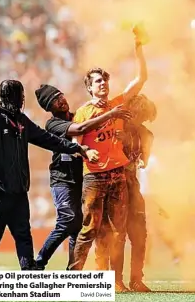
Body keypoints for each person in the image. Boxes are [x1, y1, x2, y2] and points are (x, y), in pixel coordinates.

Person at [0, 79, 97, 271]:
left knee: (24, 237)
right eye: (20, 95)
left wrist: (76, 148)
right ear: (12, 96)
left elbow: (49, 140)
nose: (22, 98)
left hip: (19, 192)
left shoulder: (22, 121)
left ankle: (29, 276)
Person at [69, 30, 148, 293]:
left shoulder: (117, 103)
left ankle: (116, 282)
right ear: (89, 87)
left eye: (104, 80)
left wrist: (138, 47)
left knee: (118, 233)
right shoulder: (84, 111)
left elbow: (141, 79)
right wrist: (84, 152)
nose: (102, 84)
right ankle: (75, 279)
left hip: (117, 176)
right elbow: (76, 137)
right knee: (90, 229)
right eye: (97, 81)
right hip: (93, 177)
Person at [34, 84, 131, 270]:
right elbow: (80, 129)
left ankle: (74, 270)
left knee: (79, 226)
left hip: (83, 177)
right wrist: (109, 114)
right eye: (54, 100)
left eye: (60, 95)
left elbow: (95, 127)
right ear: (49, 107)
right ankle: (39, 262)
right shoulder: (53, 123)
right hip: (62, 179)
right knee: (68, 220)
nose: (61, 100)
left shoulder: (78, 114)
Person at [95, 94, 157, 292]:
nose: (141, 120)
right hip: (112, 186)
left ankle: (136, 280)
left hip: (132, 185)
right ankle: (114, 280)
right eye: (140, 115)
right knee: (116, 234)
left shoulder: (146, 135)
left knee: (140, 234)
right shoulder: (114, 128)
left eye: (145, 117)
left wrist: (141, 154)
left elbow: (143, 162)